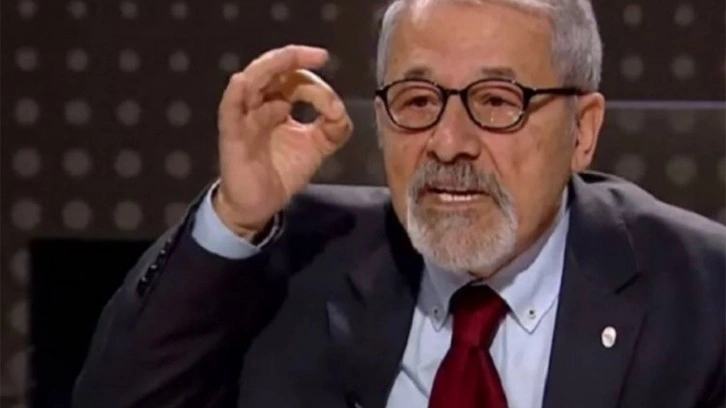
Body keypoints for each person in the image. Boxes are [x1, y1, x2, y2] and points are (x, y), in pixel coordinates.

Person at [72, 0, 726, 407]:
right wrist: (235, 219)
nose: (449, 142)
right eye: (418, 101)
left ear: (582, 131)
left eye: (497, 101)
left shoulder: (702, 294)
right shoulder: (299, 258)